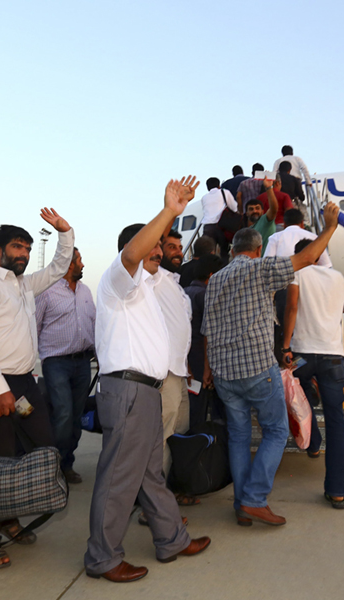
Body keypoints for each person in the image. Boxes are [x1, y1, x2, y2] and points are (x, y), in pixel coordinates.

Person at [85, 176, 210, 583]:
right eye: (153, 246)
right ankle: (102, 557)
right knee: (120, 476)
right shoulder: (116, 283)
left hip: (148, 392)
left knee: (151, 473)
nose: (158, 252)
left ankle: (170, 538)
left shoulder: (150, 288)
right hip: (128, 390)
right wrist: (170, 211)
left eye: (162, 246)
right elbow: (133, 252)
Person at [201, 203, 342, 527]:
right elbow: (306, 259)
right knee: (276, 431)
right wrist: (330, 227)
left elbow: (206, 329)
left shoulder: (216, 279)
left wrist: (209, 370)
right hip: (256, 369)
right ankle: (254, 500)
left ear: (233, 249)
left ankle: (241, 503)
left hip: (224, 372)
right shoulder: (260, 269)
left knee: (238, 437)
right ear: (258, 248)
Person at [0, 215, 74, 570]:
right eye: (16, 246)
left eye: (26, 247)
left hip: (25, 387)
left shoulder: (24, 285)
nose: (23, 253)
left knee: (41, 445)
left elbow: (58, 266)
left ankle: (8, 517)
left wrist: (65, 232)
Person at [282, 238, 344, 509]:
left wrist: (285, 345)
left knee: (297, 400)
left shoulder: (297, 273)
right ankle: (337, 490)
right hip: (332, 357)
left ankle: (313, 441)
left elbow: (291, 307)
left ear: (301, 255)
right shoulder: (337, 277)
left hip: (303, 356)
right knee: (336, 421)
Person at [35, 248, 96, 485]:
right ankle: (53, 467)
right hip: (56, 363)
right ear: (69, 264)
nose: (83, 264)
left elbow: (94, 324)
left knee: (75, 417)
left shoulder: (86, 291)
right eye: (79, 260)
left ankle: (66, 464)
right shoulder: (47, 292)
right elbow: (34, 328)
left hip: (83, 363)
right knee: (62, 413)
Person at [154, 230, 194, 501]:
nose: (178, 251)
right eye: (170, 246)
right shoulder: (152, 279)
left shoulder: (176, 285)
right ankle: (154, 504)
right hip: (164, 372)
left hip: (180, 372)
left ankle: (172, 491)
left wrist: (187, 363)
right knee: (163, 436)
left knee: (180, 433)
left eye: (179, 247)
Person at [184, 254, 225, 427]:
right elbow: (211, 332)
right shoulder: (208, 296)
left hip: (187, 358)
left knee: (191, 408)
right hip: (203, 359)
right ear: (212, 275)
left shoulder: (184, 292)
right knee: (203, 410)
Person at [265, 208, 333, 268]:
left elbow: (267, 264)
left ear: (284, 224)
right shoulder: (314, 237)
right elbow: (326, 265)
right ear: (302, 223)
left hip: (286, 278)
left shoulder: (274, 237)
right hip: (310, 278)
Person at [200, 177, 238, 257]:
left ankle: (209, 268)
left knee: (208, 252)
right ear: (219, 185)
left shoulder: (204, 197)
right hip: (221, 226)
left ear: (207, 187)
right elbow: (234, 208)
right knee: (224, 251)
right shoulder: (224, 192)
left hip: (208, 227)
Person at [246, 178, 278, 254]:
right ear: (246, 213)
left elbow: (274, 209)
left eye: (257, 208)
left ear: (263, 211)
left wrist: (269, 188)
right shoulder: (249, 230)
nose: (254, 211)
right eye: (251, 209)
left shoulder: (265, 220)